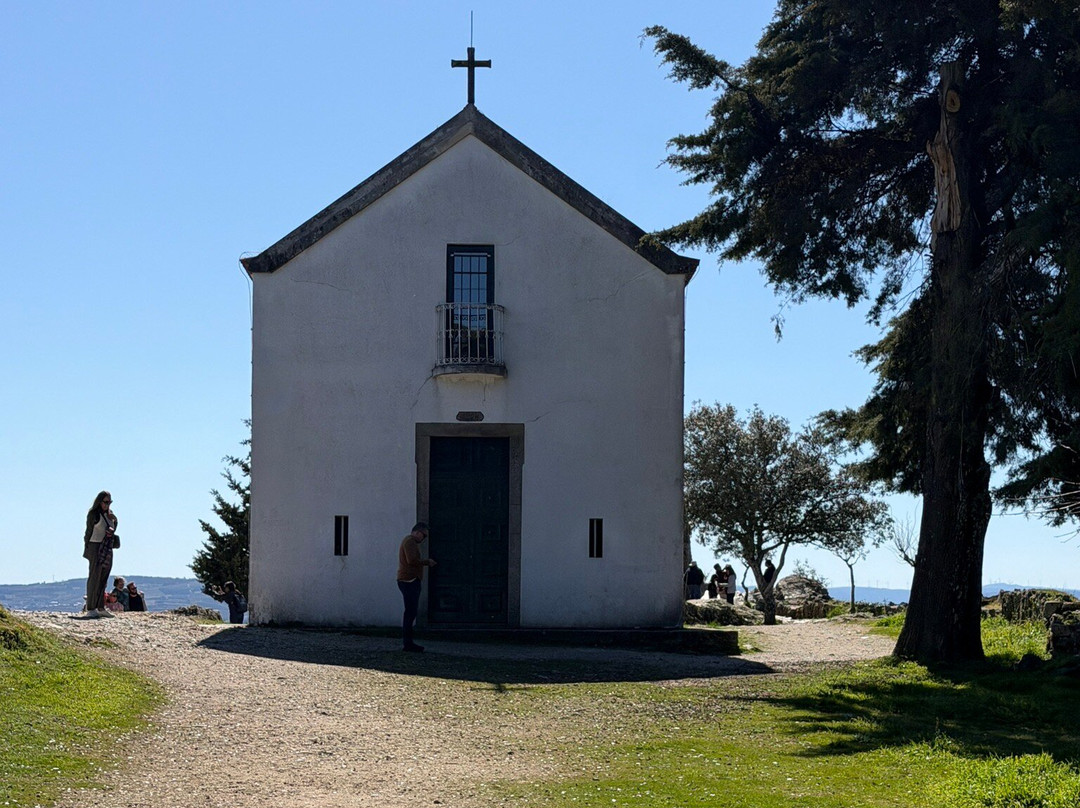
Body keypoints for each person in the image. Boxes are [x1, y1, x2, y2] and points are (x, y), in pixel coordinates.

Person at [396, 521, 436, 652]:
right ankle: (408, 643)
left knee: (410, 612)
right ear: (417, 532)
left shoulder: (409, 541)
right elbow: (411, 560)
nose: (424, 539)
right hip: (409, 580)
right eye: (423, 536)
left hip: (409, 580)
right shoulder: (410, 542)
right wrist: (427, 562)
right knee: (410, 612)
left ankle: (408, 642)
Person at [82, 491, 118, 619]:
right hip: (95, 546)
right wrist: (87, 549)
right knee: (94, 577)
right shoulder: (94, 514)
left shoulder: (109, 515)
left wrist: (114, 520)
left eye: (110, 502)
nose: (107, 505)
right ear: (100, 502)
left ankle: (101, 606)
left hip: (107, 547)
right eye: (106, 502)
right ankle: (91, 607)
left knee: (103, 578)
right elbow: (88, 532)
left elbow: (113, 530)